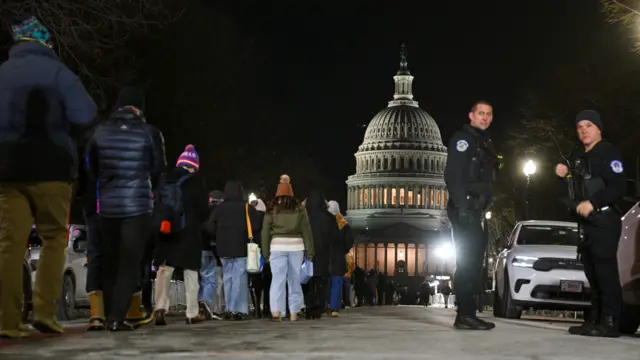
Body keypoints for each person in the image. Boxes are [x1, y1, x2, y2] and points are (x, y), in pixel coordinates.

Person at [0, 15, 97, 338]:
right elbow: (85, 113)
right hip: (53, 168)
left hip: (8, 168)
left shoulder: (3, 73)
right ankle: (45, 313)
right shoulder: (59, 73)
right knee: (55, 238)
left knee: (10, 244)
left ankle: (7, 321)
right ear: (46, 43)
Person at [85, 86, 166, 331]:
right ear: (139, 107)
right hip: (138, 207)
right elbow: (158, 167)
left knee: (111, 260)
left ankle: (110, 314)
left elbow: (91, 166)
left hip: (108, 206)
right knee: (130, 262)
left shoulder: (100, 131)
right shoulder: (149, 132)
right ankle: (117, 318)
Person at [556, 110, 626, 338]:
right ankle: (594, 319)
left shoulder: (608, 152)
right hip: (587, 224)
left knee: (606, 273)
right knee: (592, 274)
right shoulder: (579, 157)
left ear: (598, 128)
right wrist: (564, 177)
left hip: (605, 219)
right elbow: (573, 190)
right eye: (580, 126)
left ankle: (610, 322)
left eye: (589, 125)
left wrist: (593, 203)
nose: (584, 130)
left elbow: (618, 187)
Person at [444, 100, 500, 330]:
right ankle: (465, 314)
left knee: (475, 261)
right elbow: (453, 175)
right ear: (471, 115)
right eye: (481, 114)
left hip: (476, 209)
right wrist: (463, 207)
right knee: (467, 262)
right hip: (465, 208)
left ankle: (468, 313)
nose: (484, 118)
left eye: (488, 114)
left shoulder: (483, 141)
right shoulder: (464, 140)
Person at [153, 145, 209, 325]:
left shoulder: (165, 179)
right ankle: (192, 312)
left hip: (167, 229)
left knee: (164, 269)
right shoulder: (196, 182)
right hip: (189, 232)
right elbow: (203, 211)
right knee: (191, 271)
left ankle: (160, 308)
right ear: (194, 165)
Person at [261, 175, 314, 322]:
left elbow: (265, 232)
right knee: (294, 279)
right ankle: (294, 312)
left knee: (277, 280)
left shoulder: (271, 208)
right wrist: (310, 251)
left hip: (277, 246)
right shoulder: (300, 208)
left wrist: (265, 253)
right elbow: (306, 231)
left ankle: (277, 311)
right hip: (296, 246)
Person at [206, 180, 261, 320]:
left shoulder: (220, 208)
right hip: (241, 247)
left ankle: (230, 308)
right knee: (240, 278)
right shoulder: (247, 208)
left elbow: (210, 226)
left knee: (228, 277)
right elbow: (256, 227)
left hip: (223, 248)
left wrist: (219, 234)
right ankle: (239, 309)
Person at [304, 191, 340, 319]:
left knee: (307, 281)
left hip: (306, 253)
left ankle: (308, 307)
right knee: (321, 282)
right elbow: (336, 237)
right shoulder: (329, 217)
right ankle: (318, 308)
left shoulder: (304, 216)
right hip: (323, 253)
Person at [198, 190, 224, 320]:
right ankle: (205, 302)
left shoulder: (201, 212)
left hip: (198, 248)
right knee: (211, 279)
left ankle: (199, 308)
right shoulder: (218, 213)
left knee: (202, 279)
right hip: (211, 249)